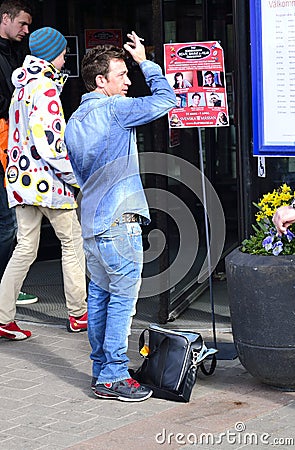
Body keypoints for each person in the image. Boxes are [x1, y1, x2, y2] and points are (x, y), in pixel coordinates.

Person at [64, 31, 176, 402]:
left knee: (99, 296)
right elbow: (166, 100)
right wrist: (146, 61)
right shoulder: (114, 109)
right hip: (118, 223)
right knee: (123, 301)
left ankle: (102, 370)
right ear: (101, 81)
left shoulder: (76, 118)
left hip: (92, 223)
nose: (128, 81)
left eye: (130, 73)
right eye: (121, 75)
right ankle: (113, 375)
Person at [0, 27, 88, 340]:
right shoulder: (46, 88)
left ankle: (2, 317)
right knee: (72, 242)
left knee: (24, 247)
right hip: (49, 183)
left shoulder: (21, 88)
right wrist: (75, 177)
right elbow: (51, 142)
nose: (66, 58)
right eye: (63, 53)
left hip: (21, 180)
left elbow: (16, 136)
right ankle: (79, 313)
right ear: (52, 54)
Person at [0, 0, 38, 306]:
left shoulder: (16, 53)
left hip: (12, 148)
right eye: (22, 24)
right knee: (7, 222)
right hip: (3, 148)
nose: (26, 30)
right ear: (5, 19)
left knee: (10, 222)